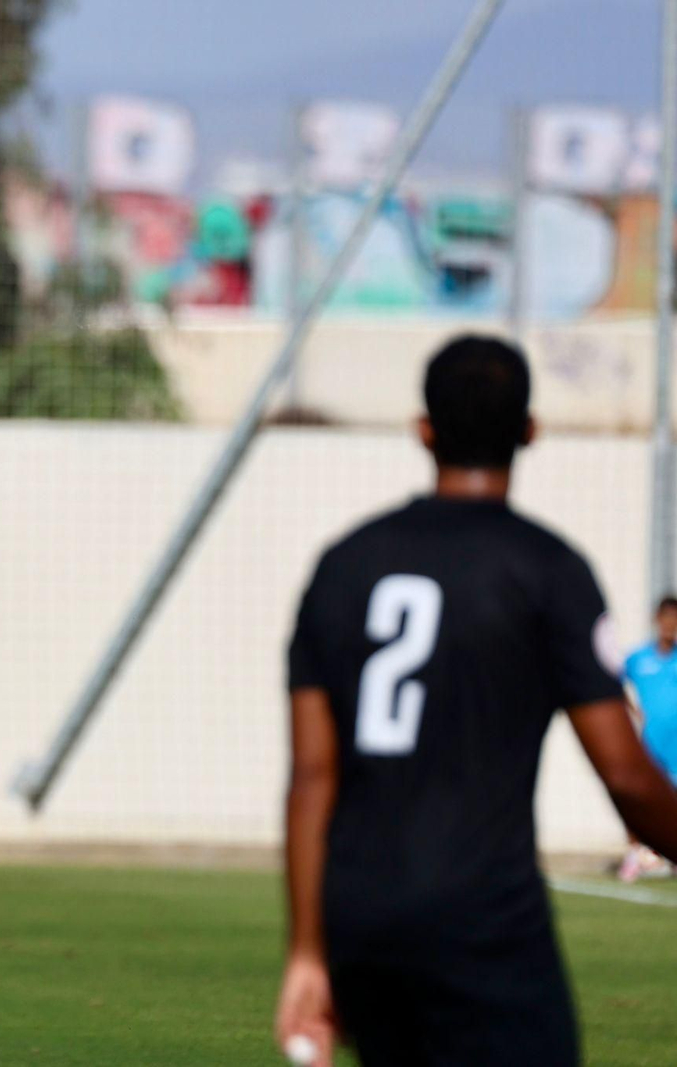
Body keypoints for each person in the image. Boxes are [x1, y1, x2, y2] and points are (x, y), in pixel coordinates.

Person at [273, 335, 677, 1067]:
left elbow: (311, 776)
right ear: (530, 431)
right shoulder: (547, 569)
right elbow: (623, 771)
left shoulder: (345, 565)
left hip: (364, 920)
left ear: (423, 429)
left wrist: (307, 949)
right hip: (485, 919)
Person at [617, 595, 677, 881]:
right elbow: (611, 681)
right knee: (639, 797)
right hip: (651, 740)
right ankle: (634, 855)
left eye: (675, 619)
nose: (670, 625)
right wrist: (633, 710)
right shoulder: (639, 658)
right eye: (666, 618)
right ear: (657, 620)